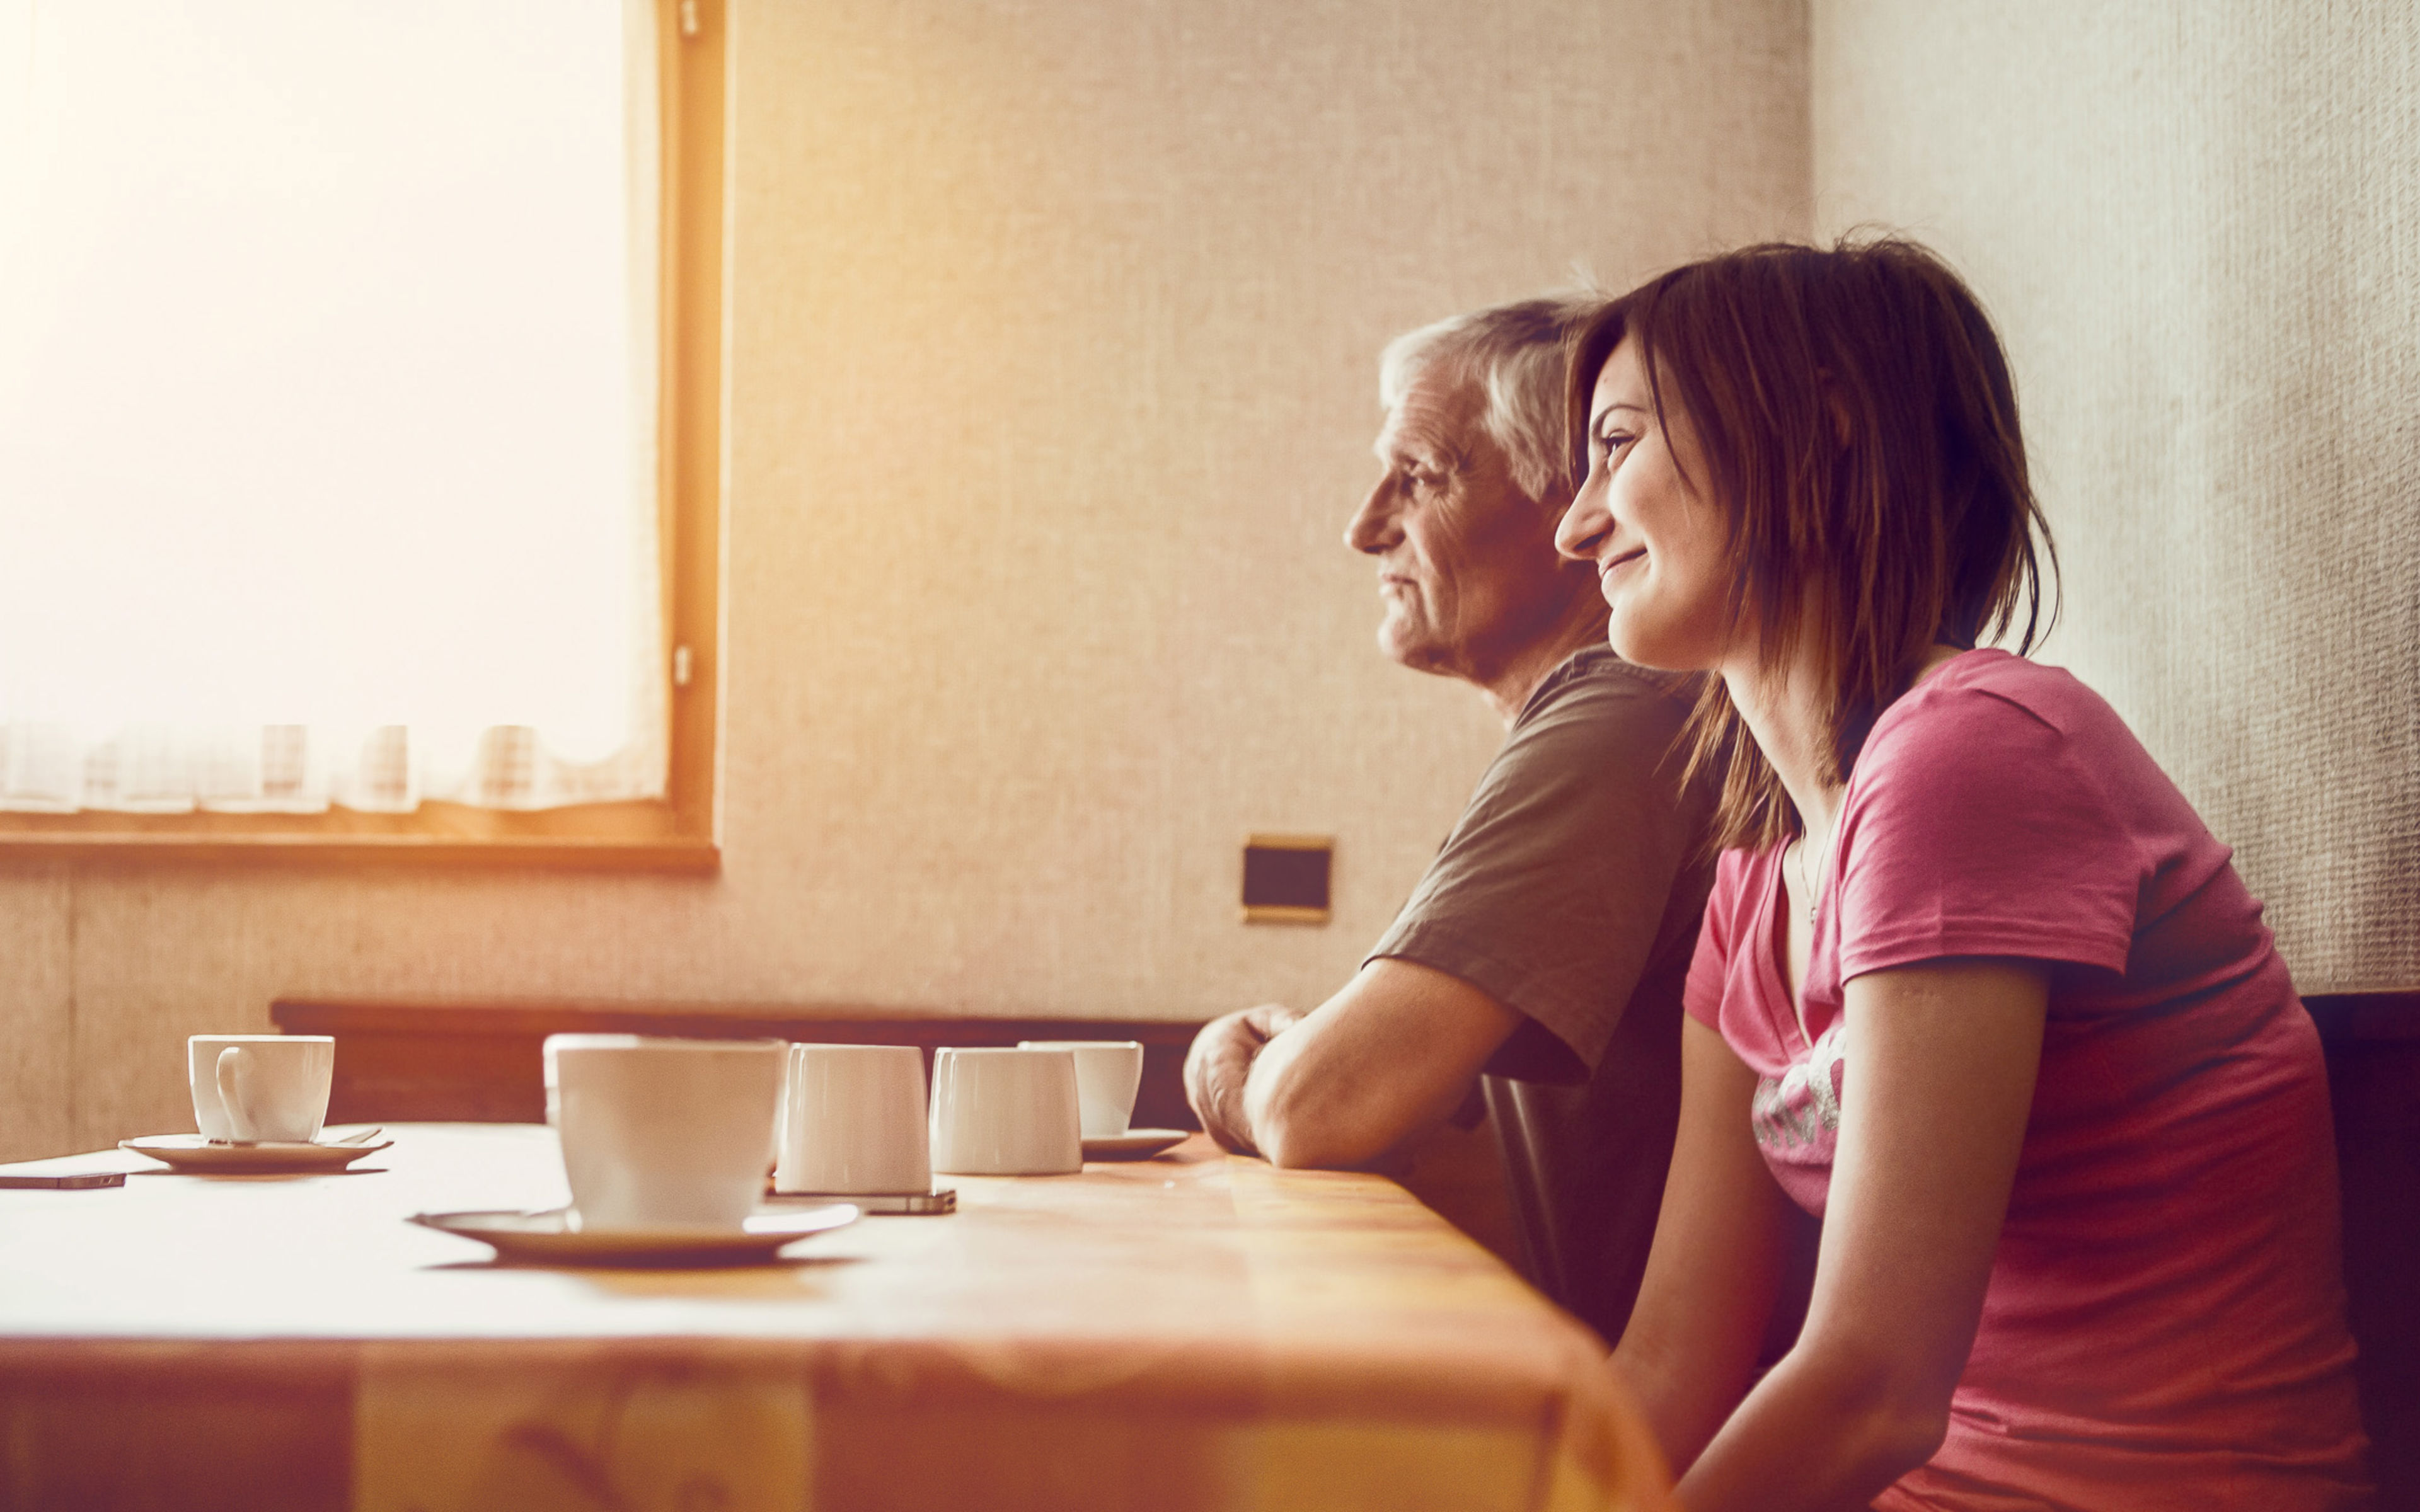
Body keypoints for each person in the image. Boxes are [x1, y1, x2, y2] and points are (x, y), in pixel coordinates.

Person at [1553, 238, 2370, 1509]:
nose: (1575, 524)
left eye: (1618, 444)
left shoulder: (1972, 755)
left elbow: (1874, 1388)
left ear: (1820, 422)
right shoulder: (1753, 888)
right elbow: (1670, 1365)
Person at [1183, 295, 1719, 1344]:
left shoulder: (1623, 714)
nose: (1364, 527)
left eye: (1421, 475)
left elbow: (1322, 1105)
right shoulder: (1604, 719)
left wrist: (1225, 1074)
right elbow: (1432, 1126)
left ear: (1577, 501)